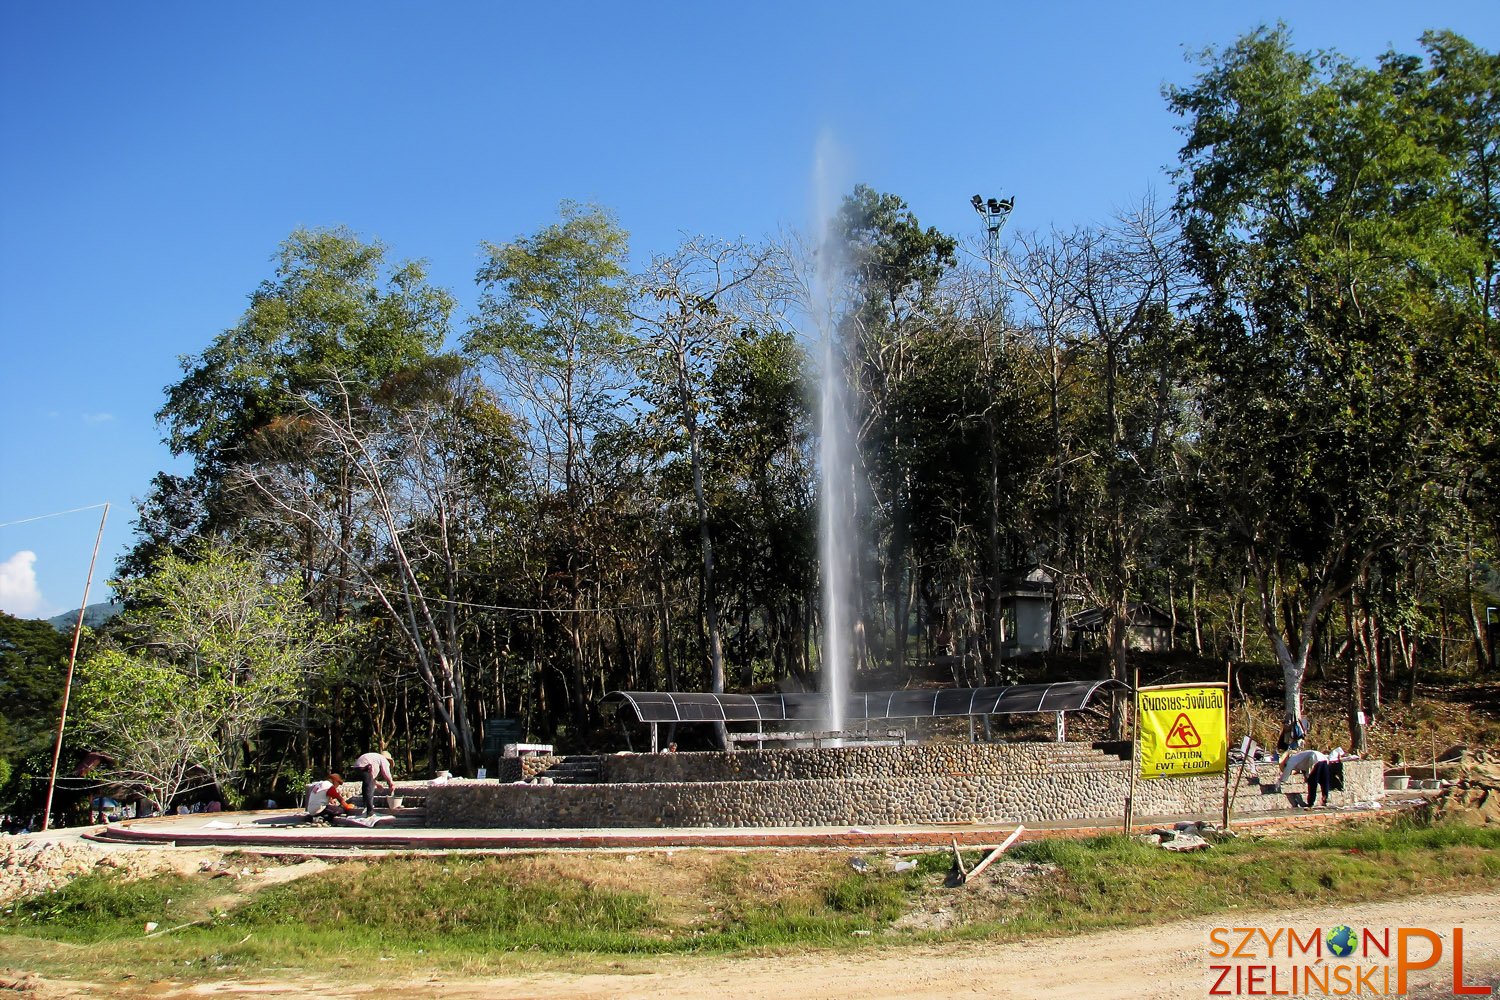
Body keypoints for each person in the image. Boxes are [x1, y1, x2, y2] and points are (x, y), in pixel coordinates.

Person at [353, 750, 396, 817]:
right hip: (365, 766)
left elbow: (371, 777)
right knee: (370, 788)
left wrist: (376, 783)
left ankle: (365, 806)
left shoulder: (375, 758)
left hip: (357, 767)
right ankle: (370, 811)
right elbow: (386, 772)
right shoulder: (383, 759)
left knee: (366, 785)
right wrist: (391, 783)